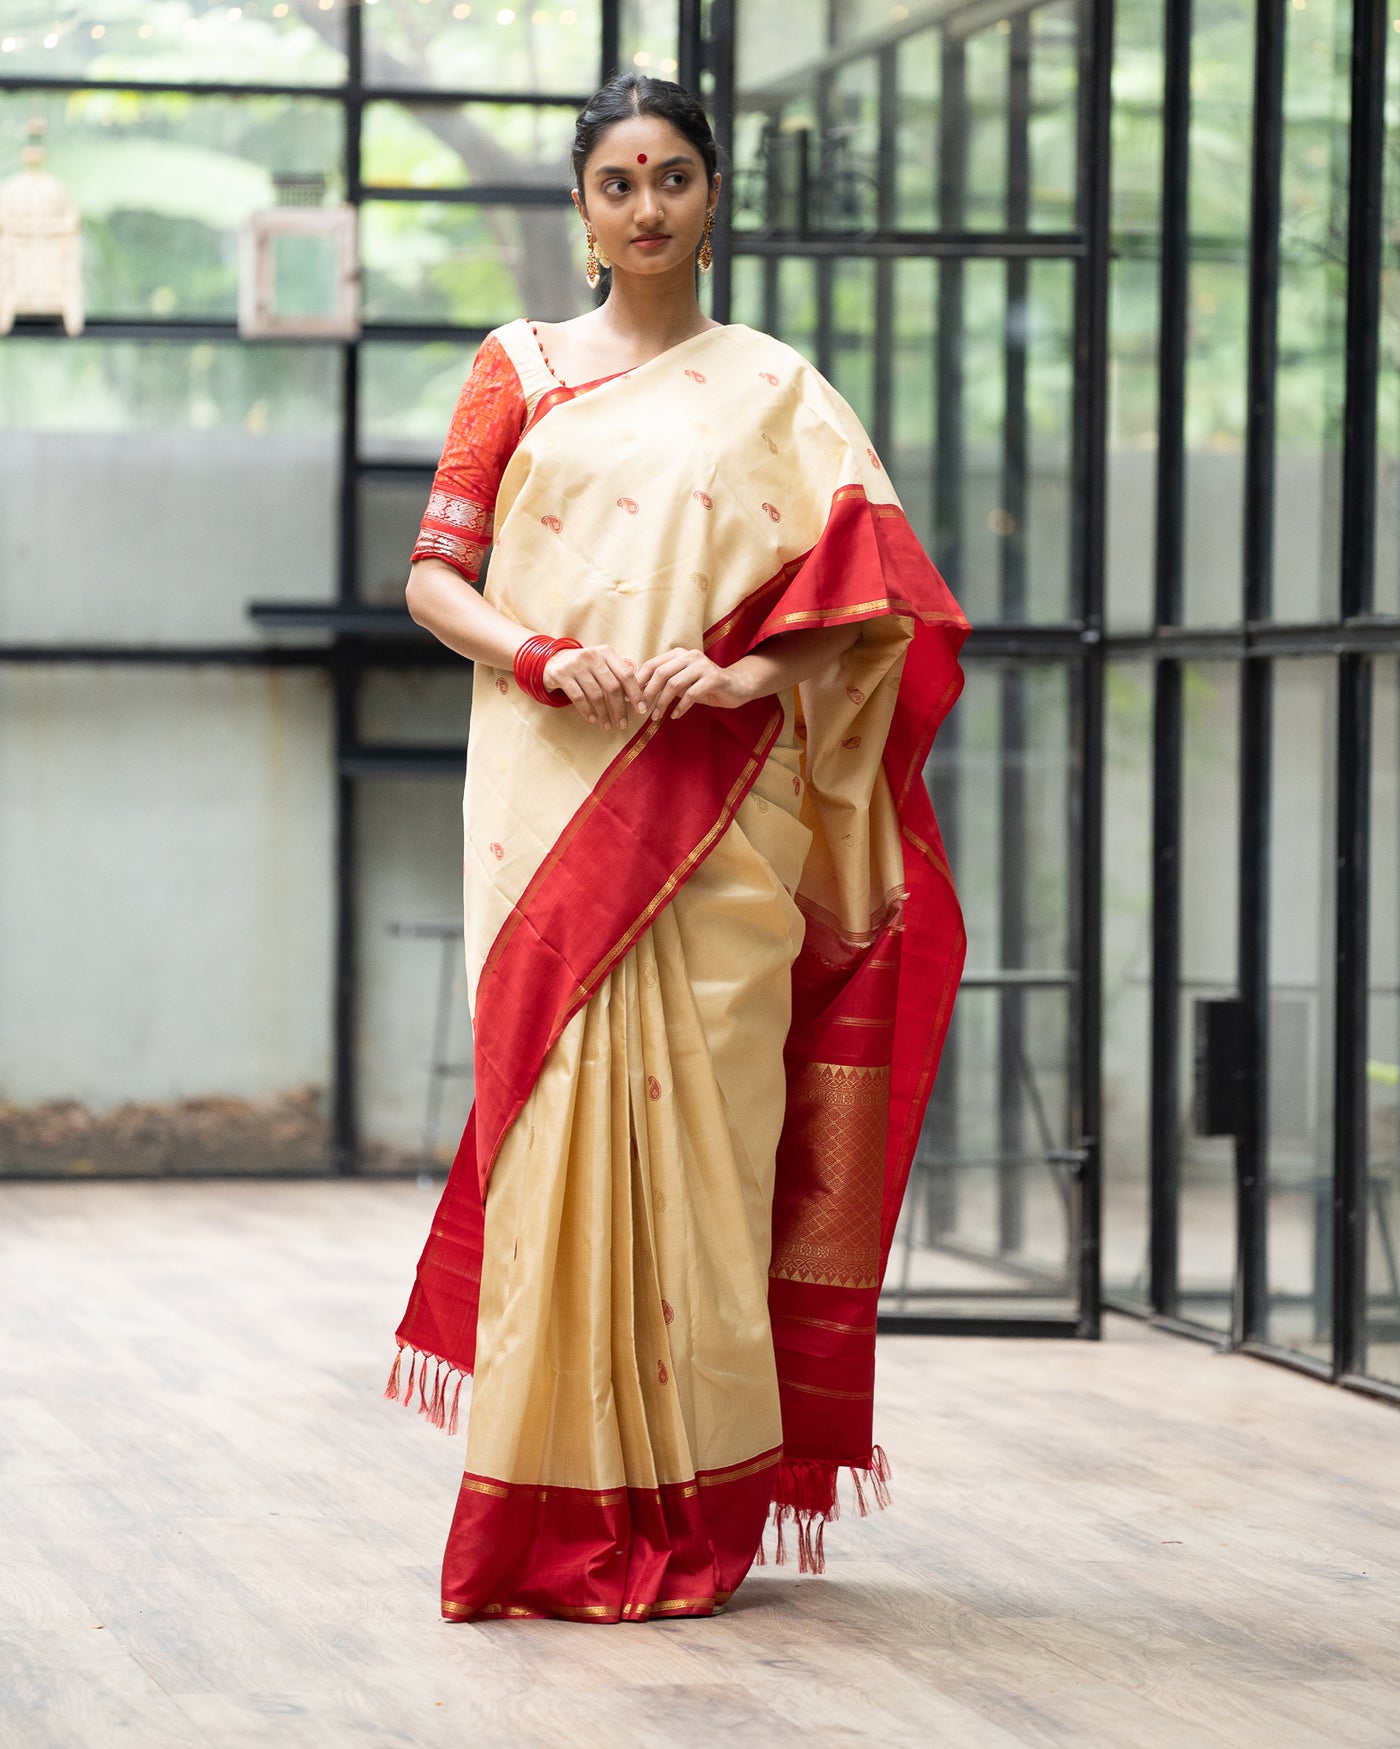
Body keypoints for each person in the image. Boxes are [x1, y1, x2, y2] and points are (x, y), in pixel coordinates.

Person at [389, 70, 969, 1625]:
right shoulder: (515, 370)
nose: (646, 206)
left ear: (714, 201)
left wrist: (739, 676)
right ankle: (537, 1511)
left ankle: (697, 1501)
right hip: (551, 795)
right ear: (582, 211)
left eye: (674, 178)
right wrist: (545, 656)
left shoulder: (779, 390)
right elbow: (435, 582)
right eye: (616, 181)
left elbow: (867, 608)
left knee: (713, 1145)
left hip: (722, 809)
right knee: (555, 1133)